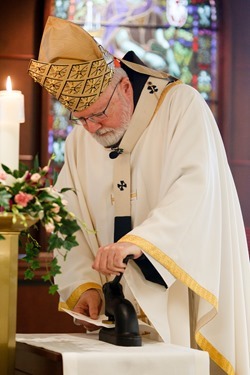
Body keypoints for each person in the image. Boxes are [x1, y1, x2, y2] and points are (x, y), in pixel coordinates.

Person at [28, 16, 250, 375]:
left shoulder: (181, 108)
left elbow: (196, 191)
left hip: (178, 299)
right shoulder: (81, 140)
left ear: (124, 87)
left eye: (98, 114)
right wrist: (85, 285)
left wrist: (140, 242)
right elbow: (70, 219)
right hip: (116, 316)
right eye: (79, 119)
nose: (92, 128)